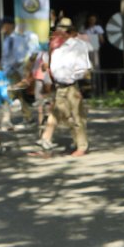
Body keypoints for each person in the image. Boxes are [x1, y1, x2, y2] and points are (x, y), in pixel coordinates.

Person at [40, 18, 92, 156]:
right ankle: (51, 140)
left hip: (72, 85)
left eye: (61, 30)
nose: (57, 33)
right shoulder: (56, 46)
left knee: (76, 116)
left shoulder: (78, 45)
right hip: (59, 85)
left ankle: (81, 146)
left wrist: (74, 79)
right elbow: (51, 65)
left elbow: (83, 67)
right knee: (63, 115)